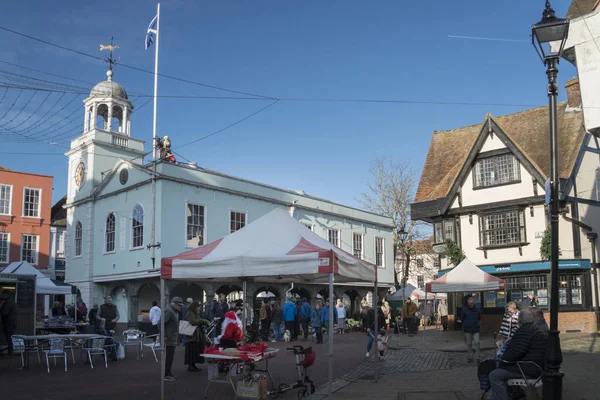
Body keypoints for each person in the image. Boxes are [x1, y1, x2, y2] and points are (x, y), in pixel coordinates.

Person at [489, 310, 548, 400]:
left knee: (494, 375)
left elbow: (514, 354)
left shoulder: (524, 330)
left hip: (528, 369)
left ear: (519, 321)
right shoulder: (535, 329)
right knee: (500, 371)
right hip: (536, 367)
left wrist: (504, 356)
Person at [184, 300, 209, 372]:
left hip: (196, 335)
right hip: (192, 336)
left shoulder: (194, 313)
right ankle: (190, 366)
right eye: (198, 307)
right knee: (191, 351)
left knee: (195, 351)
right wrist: (203, 321)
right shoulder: (190, 313)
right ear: (194, 307)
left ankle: (193, 365)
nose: (199, 308)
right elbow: (193, 322)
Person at [163, 297, 183, 382]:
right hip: (169, 338)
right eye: (179, 305)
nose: (180, 307)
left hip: (173, 338)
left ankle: (168, 372)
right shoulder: (169, 311)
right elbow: (161, 323)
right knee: (168, 357)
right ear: (174, 304)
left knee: (170, 357)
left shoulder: (174, 312)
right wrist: (164, 336)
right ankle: (166, 374)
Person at [460, 297, 480, 363]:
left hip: (476, 329)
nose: (471, 304)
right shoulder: (464, 310)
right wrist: (464, 326)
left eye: (472, 303)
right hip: (467, 330)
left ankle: (478, 357)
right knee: (469, 344)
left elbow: (479, 318)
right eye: (470, 303)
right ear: (468, 303)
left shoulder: (477, 309)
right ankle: (470, 357)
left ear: (474, 303)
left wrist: (477, 324)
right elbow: (462, 319)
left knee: (477, 342)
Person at [0, 290, 17, 355]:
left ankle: (10, 352)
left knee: (9, 338)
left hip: (8, 322)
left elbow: (5, 312)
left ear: (6, 294)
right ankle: (11, 351)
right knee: (11, 337)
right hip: (12, 322)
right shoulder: (12, 301)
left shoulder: (7, 302)